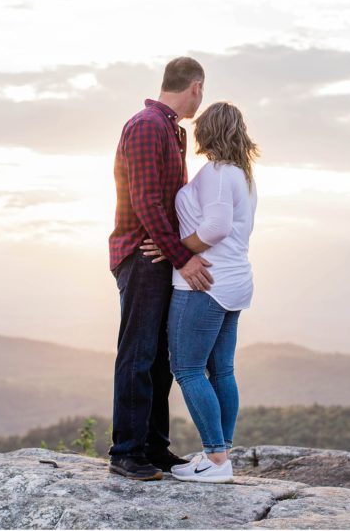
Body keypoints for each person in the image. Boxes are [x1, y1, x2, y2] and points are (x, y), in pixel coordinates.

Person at [107, 56, 215, 481]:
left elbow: (168, 201)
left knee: (157, 359)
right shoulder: (148, 125)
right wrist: (183, 257)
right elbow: (147, 201)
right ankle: (126, 452)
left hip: (158, 253)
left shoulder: (170, 129)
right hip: (141, 255)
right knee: (137, 353)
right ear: (195, 87)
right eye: (200, 93)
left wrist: (174, 248)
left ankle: (154, 447)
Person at [140, 101, 259, 484]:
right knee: (221, 369)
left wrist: (175, 248)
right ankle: (220, 452)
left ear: (208, 132)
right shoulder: (241, 174)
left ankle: (217, 459)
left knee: (188, 369)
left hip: (204, 283)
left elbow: (216, 228)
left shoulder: (218, 173)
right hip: (233, 280)